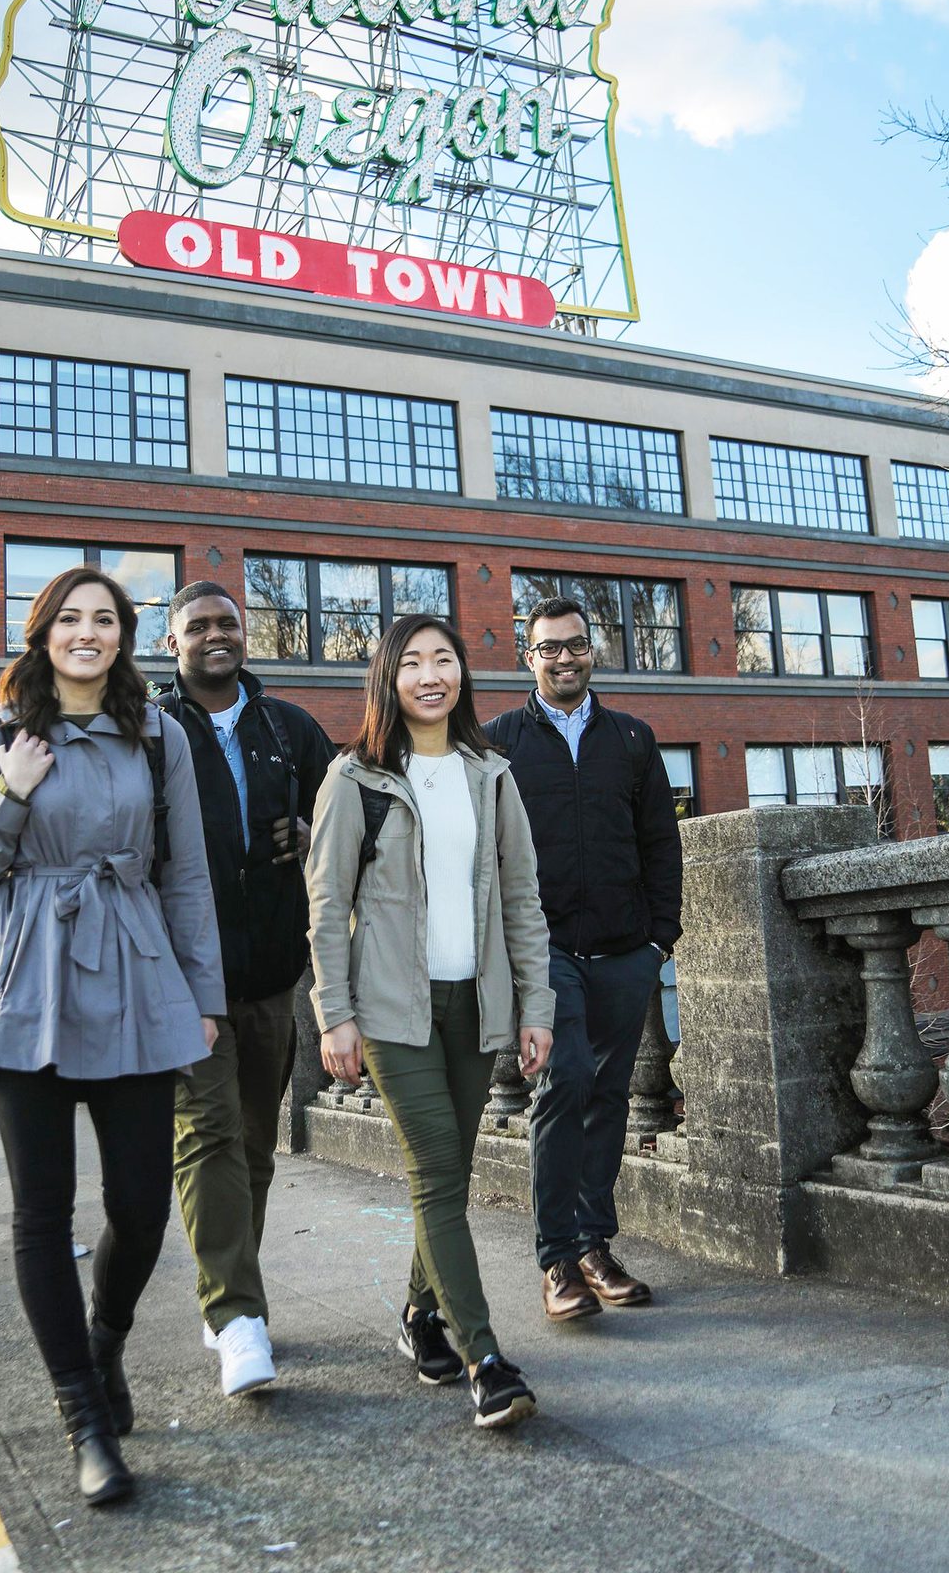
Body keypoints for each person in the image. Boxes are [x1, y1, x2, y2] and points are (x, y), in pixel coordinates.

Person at [0, 567, 225, 1507]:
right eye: (70, 618)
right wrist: (10, 795)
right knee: (41, 1211)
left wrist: (203, 994)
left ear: (126, 637)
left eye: (105, 620)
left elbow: (184, 876)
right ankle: (85, 1421)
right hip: (27, 978)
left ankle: (104, 1344)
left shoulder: (161, 737)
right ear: (42, 631)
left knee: (143, 1203)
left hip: (138, 971)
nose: (87, 633)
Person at [306, 614, 554, 1430]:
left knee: (444, 1174)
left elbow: (522, 901)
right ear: (389, 679)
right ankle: (485, 1356)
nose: (430, 674)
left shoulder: (493, 775)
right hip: (390, 1013)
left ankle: (419, 1315)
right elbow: (327, 905)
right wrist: (334, 1015)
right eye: (411, 662)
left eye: (443, 658)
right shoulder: (356, 780)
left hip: (473, 1007)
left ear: (462, 675)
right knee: (439, 1170)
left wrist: (534, 1006)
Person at [155, 581, 335, 1397]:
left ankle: (231, 1292)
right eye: (199, 626)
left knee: (256, 1145)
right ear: (173, 643)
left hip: (270, 977)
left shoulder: (289, 729)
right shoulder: (151, 731)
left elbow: (346, 829)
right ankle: (236, 1317)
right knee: (208, 1137)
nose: (216, 635)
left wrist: (308, 834)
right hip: (187, 983)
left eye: (228, 622)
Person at [485, 595, 683, 1323]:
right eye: (548, 648)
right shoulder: (499, 740)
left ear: (591, 652)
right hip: (544, 950)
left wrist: (662, 936)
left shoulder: (632, 738)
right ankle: (558, 1259)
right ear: (526, 656)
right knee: (564, 1081)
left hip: (626, 950)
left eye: (575, 646)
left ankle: (597, 1248)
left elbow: (661, 840)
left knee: (610, 1096)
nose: (563, 658)